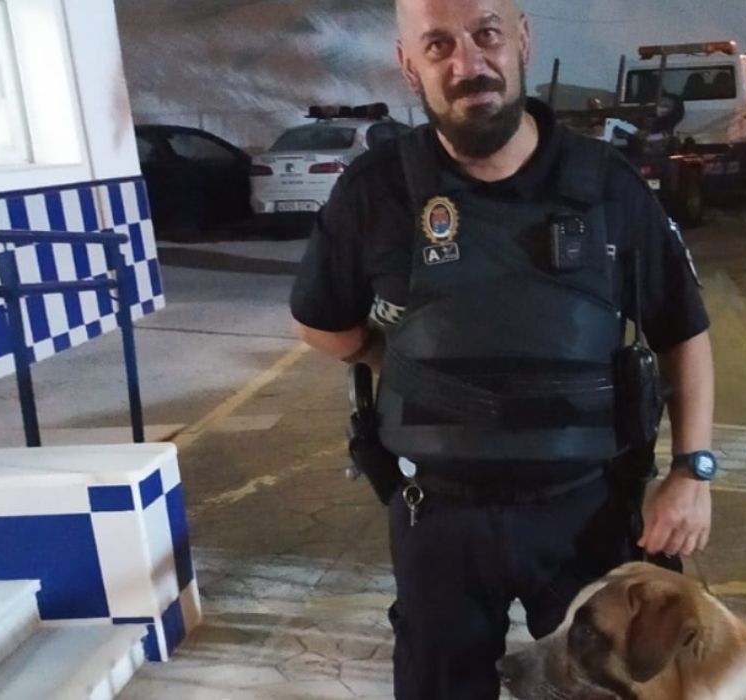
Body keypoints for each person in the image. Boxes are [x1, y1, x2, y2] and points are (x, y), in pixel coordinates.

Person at [287, 0, 717, 698]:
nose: (468, 63)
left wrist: (693, 472)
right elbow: (318, 322)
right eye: (437, 45)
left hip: (590, 514)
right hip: (440, 519)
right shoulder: (376, 191)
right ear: (408, 64)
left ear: (521, 37)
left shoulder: (607, 184)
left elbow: (683, 331)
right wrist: (391, 360)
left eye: (486, 34)